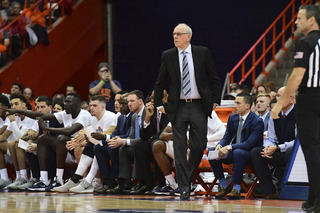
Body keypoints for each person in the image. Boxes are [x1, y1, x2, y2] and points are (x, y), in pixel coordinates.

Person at [153, 23, 221, 199]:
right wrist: (159, 104)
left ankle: (187, 180)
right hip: (179, 107)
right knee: (180, 147)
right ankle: (184, 187)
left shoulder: (202, 52)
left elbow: (214, 78)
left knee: (199, 146)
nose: (175, 36)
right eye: (173, 33)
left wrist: (214, 100)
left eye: (179, 34)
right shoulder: (168, 55)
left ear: (188, 36)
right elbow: (160, 82)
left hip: (199, 105)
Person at [271, 5, 320, 213]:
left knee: (311, 149)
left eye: (299, 19)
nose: (296, 22)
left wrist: (280, 104)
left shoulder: (306, 42)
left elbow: (297, 76)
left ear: (311, 21)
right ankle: (312, 199)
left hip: (310, 98)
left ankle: (317, 201)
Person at [52, 95, 116, 193]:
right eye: (90, 105)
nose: (92, 108)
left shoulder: (110, 116)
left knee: (96, 147)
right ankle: (76, 179)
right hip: (100, 145)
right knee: (89, 146)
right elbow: (90, 137)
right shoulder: (93, 119)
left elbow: (106, 137)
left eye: (95, 105)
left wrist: (84, 140)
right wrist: (78, 142)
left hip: (113, 146)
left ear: (103, 107)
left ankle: (91, 181)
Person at [208, 93, 264, 199]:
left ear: (247, 106)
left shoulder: (257, 121)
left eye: (238, 103)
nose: (235, 106)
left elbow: (249, 144)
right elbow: (227, 137)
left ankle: (236, 188)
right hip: (234, 152)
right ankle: (224, 185)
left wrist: (229, 147)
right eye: (235, 103)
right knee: (212, 152)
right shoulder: (232, 118)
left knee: (238, 153)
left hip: (251, 154)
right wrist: (220, 145)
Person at [251, 87, 296, 199]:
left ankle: (289, 190)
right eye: (277, 96)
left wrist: (276, 148)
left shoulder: (300, 114)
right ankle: (269, 191)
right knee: (256, 152)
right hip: (278, 150)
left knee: (290, 151)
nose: (277, 99)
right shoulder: (274, 114)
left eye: (281, 96)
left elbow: (298, 142)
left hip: (294, 152)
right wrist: (268, 148)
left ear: (291, 100)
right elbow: (270, 138)